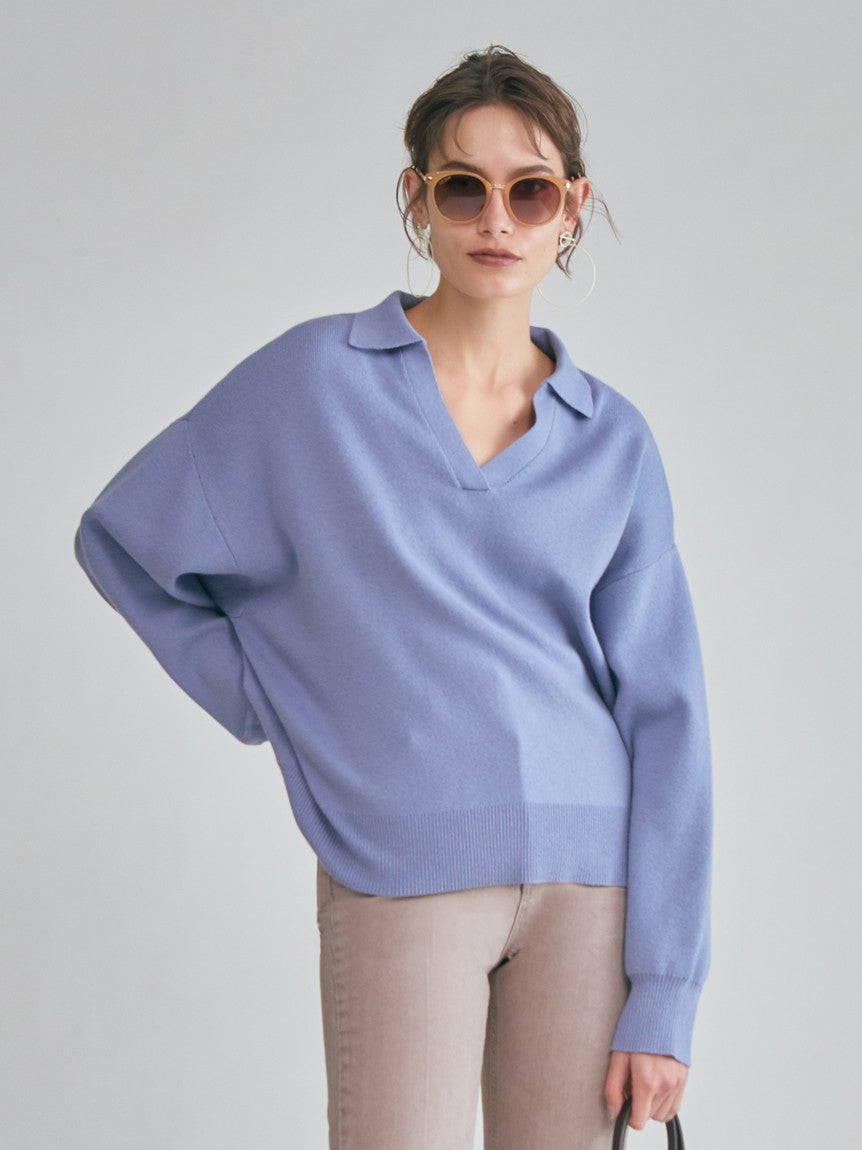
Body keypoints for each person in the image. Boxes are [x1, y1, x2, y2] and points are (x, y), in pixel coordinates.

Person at [74, 45, 712, 1150]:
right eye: (463, 187)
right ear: (417, 198)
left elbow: (668, 714)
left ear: (571, 208)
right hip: (399, 862)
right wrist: (274, 698)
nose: (496, 218)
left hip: (593, 887)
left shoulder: (612, 439)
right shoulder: (313, 381)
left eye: (530, 190)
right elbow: (126, 541)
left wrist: (666, 990)